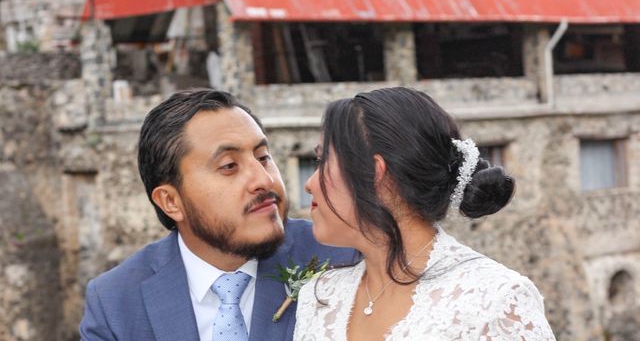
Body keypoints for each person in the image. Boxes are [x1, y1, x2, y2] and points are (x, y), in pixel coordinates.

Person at [80, 89, 357, 341]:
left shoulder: (344, 259)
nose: (263, 180)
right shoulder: (115, 302)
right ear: (171, 201)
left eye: (263, 157)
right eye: (229, 166)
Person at [294, 87, 556, 340]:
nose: (309, 183)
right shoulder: (320, 296)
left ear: (374, 172)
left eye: (322, 162)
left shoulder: (493, 300)